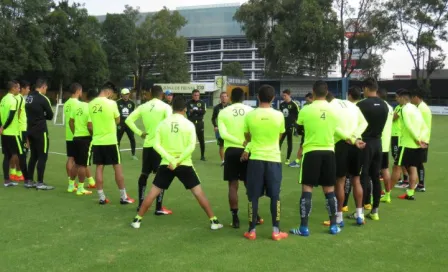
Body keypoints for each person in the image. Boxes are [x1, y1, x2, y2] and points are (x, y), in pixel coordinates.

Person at [131, 96, 223, 230]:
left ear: (172, 108)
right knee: (198, 193)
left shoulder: (162, 124)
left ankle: (137, 220)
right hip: (183, 163)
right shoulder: (189, 124)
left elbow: (156, 145)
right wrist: (177, 161)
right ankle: (214, 221)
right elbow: (191, 147)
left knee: (153, 192)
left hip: (166, 163)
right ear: (185, 109)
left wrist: (170, 159)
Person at [289, 81, 362, 236]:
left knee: (307, 188)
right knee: (329, 189)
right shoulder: (334, 110)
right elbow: (338, 129)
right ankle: (334, 226)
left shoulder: (306, 110)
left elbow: (300, 126)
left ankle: (304, 228)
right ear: (327, 91)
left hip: (310, 152)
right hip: (329, 153)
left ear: (313, 92)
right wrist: (354, 140)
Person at [242, 84, 288, 241]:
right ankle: (276, 231)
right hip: (273, 159)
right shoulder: (279, 115)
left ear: (257, 97)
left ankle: (252, 231)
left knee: (253, 196)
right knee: (275, 196)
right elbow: (280, 136)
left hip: (255, 160)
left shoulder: (250, 115)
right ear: (274, 98)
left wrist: (254, 143)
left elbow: (247, 137)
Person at [218, 87, 264, 228]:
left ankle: (235, 218)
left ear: (230, 98)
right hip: (247, 150)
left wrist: (238, 142)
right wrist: (246, 143)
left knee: (233, 184)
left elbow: (223, 134)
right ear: (244, 98)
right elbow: (256, 131)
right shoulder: (251, 111)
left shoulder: (223, 112)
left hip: (231, 150)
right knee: (249, 183)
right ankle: (254, 215)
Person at [125, 85, 173, 215]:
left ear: (151, 93)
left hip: (147, 146)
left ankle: (141, 204)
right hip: (160, 146)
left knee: (144, 174)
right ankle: (158, 207)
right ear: (162, 95)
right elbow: (169, 124)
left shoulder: (143, 106)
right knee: (161, 176)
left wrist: (140, 132)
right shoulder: (166, 107)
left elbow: (128, 120)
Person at [322, 90, 367, 227]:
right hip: (357, 143)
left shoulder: (329, 107)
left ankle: (339, 217)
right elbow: (364, 123)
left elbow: (333, 127)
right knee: (356, 179)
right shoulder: (352, 105)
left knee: (340, 181)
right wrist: (355, 137)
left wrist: (348, 138)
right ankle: (360, 215)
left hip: (341, 144)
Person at [88, 82, 135, 205]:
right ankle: (123, 196)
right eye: (112, 94)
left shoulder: (91, 104)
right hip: (111, 141)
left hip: (97, 141)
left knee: (99, 167)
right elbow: (118, 120)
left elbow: (90, 124)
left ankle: (101, 197)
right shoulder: (112, 103)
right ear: (108, 92)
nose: (112, 96)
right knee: (117, 167)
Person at [381, 90, 428, 202]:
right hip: (416, 145)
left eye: (397, 97)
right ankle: (410, 193)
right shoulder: (415, 108)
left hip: (406, 144)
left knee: (396, 168)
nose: (396, 99)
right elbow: (423, 125)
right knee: (413, 167)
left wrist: (417, 139)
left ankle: (387, 194)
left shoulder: (404, 109)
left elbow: (408, 125)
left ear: (402, 98)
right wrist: (422, 139)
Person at [356, 77, 389, 221]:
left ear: (366, 88)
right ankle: (375, 211)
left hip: (365, 143)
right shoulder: (385, 105)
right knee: (375, 176)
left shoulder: (361, 105)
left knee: (363, 176)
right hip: (378, 143)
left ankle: (361, 211)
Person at [25, 78, 54, 190]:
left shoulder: (29, 97)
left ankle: (29, 180)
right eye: (46, 88)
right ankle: (40, 182)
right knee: (43, 156)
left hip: (30, 130)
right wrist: (43, 116)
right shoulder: (43, 98)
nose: (46, 90)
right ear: (43, 87)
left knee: (33, 156)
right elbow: (50, 116)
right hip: (40, 131)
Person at [68, 89, 97, 195]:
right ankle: (80, 188)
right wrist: (95, 135)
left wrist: (75, 132)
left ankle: (71, 186)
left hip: (75, 138)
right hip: (85, 139)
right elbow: (90, 126)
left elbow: (70, 121)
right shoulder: (90, 108)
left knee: (76, 164)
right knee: (83, 165)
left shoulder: (77, 106)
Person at [376, 88, 393, 213]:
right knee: (385, 169)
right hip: (386, 143)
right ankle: (387, 195)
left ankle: (374, 195)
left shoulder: (379, 106)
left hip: (377, 142)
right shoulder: (390, 107)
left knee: (373, 171)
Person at [1, 81, 21, 187]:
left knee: (7, 157)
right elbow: (12, 115)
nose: (19, 90)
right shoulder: (13, 100)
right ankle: (24, 177)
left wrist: (1, 127)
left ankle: (6, 180)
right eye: (17, 88)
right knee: (19, 154)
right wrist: (3, 126)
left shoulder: (3, 99)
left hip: (4, 133)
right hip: (12, 132)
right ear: (13, 88)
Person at [411, 89, 432, 192]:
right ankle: (418, 183)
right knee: (417, 162)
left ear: (416, 97)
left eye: (412, 97)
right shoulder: (421, 107)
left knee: (418, 163)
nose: (411, 100)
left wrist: (420, 139)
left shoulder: (421, 109)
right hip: (422, 138)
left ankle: (421, 184)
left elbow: (420, 124)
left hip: (422, 139)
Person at [13, 80, 31, 186]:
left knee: (15, 152)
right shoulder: (20, 99)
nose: (28, 90)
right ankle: (20, 173)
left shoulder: (16, 98)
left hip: (18, 129)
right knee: (22, 152)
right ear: (23, 89)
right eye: (28, 88)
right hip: (21, 129)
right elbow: (18, 114)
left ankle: (14, 172)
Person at [288, 93, 312, 168]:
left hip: (308, 131)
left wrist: (298, 129)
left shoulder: (308, 107)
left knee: (303, 146)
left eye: (307, 99)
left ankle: (297, 162)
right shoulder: (306, 106)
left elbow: (300, 121)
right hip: (308, 130)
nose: (306, 101)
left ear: (311, 98)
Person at [64, 83, 81, 187]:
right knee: (79, 161)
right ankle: (73, 182)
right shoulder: (78, 104)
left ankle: (71, 181)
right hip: (76, 134)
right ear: (78, 91)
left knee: (70, 158)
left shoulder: (66, 103)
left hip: (68, 134)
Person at [392, 90, 410, 188]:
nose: (396, 99)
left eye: (397, 97)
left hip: (397, 135)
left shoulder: (401, 108)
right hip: (394, 134)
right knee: (397, 158)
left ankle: (405, 179)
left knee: (398, 158)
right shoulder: (398, 107)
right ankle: (401, 178)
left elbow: (393, 118)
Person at [279, 89, 300, 165]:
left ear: (289, 95)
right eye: (283, 95)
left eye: (285, 95)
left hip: (290, 127)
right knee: (279, 142)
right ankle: (277, 158)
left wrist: (296, 127)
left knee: (289, 143)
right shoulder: (281, 105)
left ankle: (287, 159)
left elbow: (298, 117)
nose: (284, 97)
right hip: (282, 127)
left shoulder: (294, 105)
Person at [116, 88, 137, 160]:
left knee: (132, 139)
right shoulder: (117, 103)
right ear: (121, 95)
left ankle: (133, 154)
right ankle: (117, 154)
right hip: (120, 124)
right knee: (117, 139)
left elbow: (134, 114)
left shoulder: (132, 103)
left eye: (127, 94)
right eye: (124, 94)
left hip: (129, 124)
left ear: (129, 94)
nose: (126, 96)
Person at [187, 89, 206, 161]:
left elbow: (203, 112)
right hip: (191, 123)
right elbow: (188, 114)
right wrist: (198, 111)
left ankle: (202, 156)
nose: (196, 96)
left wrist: (194, 110)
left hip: (200, 123)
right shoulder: (188, 103)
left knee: (201, 140)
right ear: (192, 95)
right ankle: (188, 156)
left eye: (198, 95)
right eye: (195, 95)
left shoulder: (202, 103)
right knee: (190, 140)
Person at [211, 92, 229, 166]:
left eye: (225, 96)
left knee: (229, 145)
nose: (224, 98)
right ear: (220, 98)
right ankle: (223, 161)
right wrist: (215, 126)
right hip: (220, 130)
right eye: (222, 96)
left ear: (227, 97)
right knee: (221, 145)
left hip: (229, 129)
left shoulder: (230, 107)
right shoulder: (217, 108)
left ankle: (229, 161)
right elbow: (213, 118)